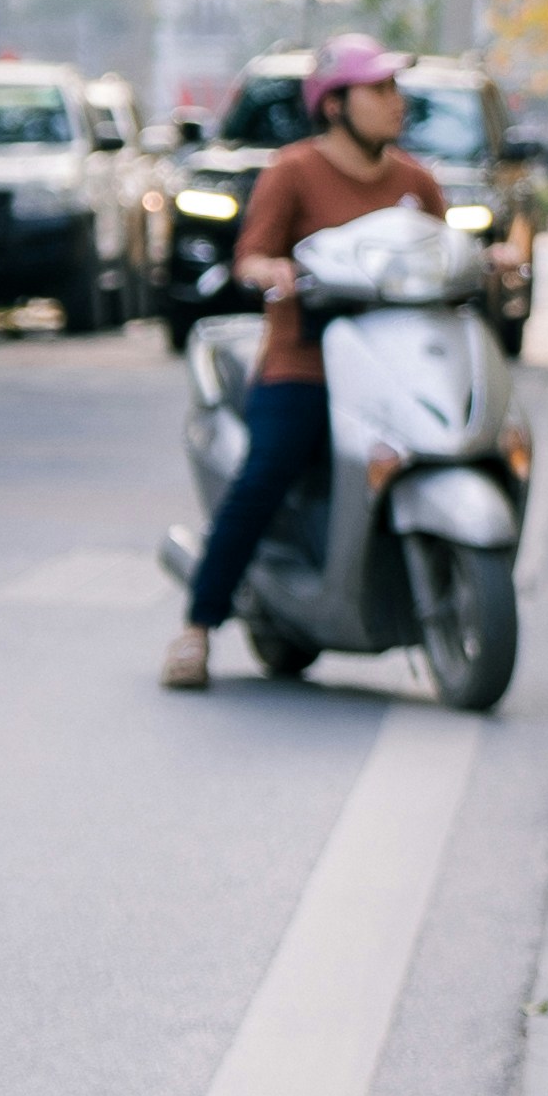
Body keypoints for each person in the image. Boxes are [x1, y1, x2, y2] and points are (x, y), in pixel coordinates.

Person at [163, 35, 450, 689]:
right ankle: (198, 627)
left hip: (396, 369)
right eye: (379, 89)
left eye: (395, 88)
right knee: (266, 472)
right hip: (304, 363)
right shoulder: (293, 171)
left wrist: (489, 261)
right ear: (335, 104)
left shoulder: (415, 181)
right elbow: (250, 257)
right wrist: (274, 271)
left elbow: (445, 250)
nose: (396, 102)